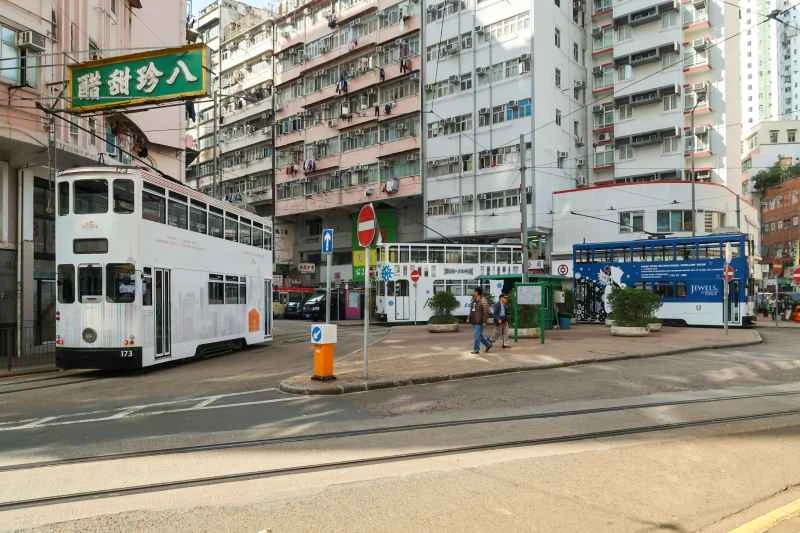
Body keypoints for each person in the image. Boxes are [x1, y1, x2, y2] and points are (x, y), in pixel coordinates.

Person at [468, 287, 492, 354]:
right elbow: (472, 309)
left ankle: (476, 349)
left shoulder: (483, 300)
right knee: (479, 335)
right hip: (474, 320)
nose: (473, 292)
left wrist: (484, 321)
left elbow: (486, 311)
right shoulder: (474, 299)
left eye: (474, 291)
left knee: (477, 335)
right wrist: (468, 317)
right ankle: (488, 344)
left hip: (479, 321)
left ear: (477, 292)